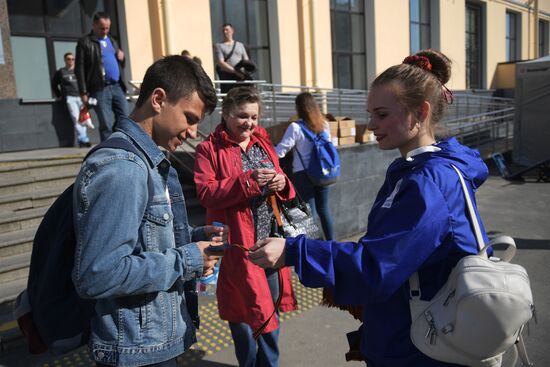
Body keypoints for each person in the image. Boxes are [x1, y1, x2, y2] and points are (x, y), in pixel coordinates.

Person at [249, 49, 491, 367]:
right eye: (370, 113)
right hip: (415, 334)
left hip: (419, 348)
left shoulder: (429, 180)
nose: (371, 123)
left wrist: (295, 252)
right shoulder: (423, 169)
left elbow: (377, 266)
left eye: (382, 114)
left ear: (420, 112)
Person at [72, 55, 221, 367]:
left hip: (151, 344)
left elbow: (143, 240)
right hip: (135, 353)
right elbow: (98, 274)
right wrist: (190, 258)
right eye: (190, 118)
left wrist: (194, 239)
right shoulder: (123, 169)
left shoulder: (150, 160)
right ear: (158, 99)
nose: (193, 132)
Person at [194, 86, 297, 367]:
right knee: (242, 315)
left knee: (269, 312)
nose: (249, 123)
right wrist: (249, 180)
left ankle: (268, 364)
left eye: (254, 117)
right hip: (237, 246)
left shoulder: (262, 141)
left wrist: (282, 182)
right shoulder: (208, 149)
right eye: (242, 116)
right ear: (226, 114)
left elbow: (282, 178)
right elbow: (206, 192)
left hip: (271, 243)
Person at [275, 92, 335, 240]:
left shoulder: (295, 127)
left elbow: (281, 152)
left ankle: (314, 247)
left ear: (299, 108)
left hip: (303, 174)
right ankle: (331, 243)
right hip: (323, 172)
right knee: (324, 210)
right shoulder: (324, 124)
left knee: (309, 213)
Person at [76, 11, 129, 142]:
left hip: (117, 86)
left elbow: (119, 64)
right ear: (94, 25)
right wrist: (83, 92)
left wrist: (122, 59)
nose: (105, 31)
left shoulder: (112, 40)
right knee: (106, 123)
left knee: (125, 118)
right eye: (102, 28)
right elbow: (79, 68)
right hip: (100, 88)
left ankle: (121, 144)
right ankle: (109, 152)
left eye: (107, 28)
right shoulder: (85, 42)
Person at [52, 52, 92, 148]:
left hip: (81, 97)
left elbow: (87, 82)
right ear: (65, 60)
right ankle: (84, 139)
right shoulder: (61, 72)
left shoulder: (79, 71)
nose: (71, 61)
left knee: (84, 118)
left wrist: (87, 94)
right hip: (70, 98)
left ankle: (83, 139)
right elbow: (54, 84)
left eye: (73, 59)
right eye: (69, 59)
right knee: (75, 117)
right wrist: (59, 95)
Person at [215, 23, 252, 93]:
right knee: (229, 96)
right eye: (223, 30)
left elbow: (246, 59)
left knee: (242, 95)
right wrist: (235, 72)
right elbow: (221, 62)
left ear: (232, 31)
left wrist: (245, 71)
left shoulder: (240, 45)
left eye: (227, 30)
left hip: (240, 77)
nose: (225, 32)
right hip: (227, 76)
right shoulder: (219, 46)